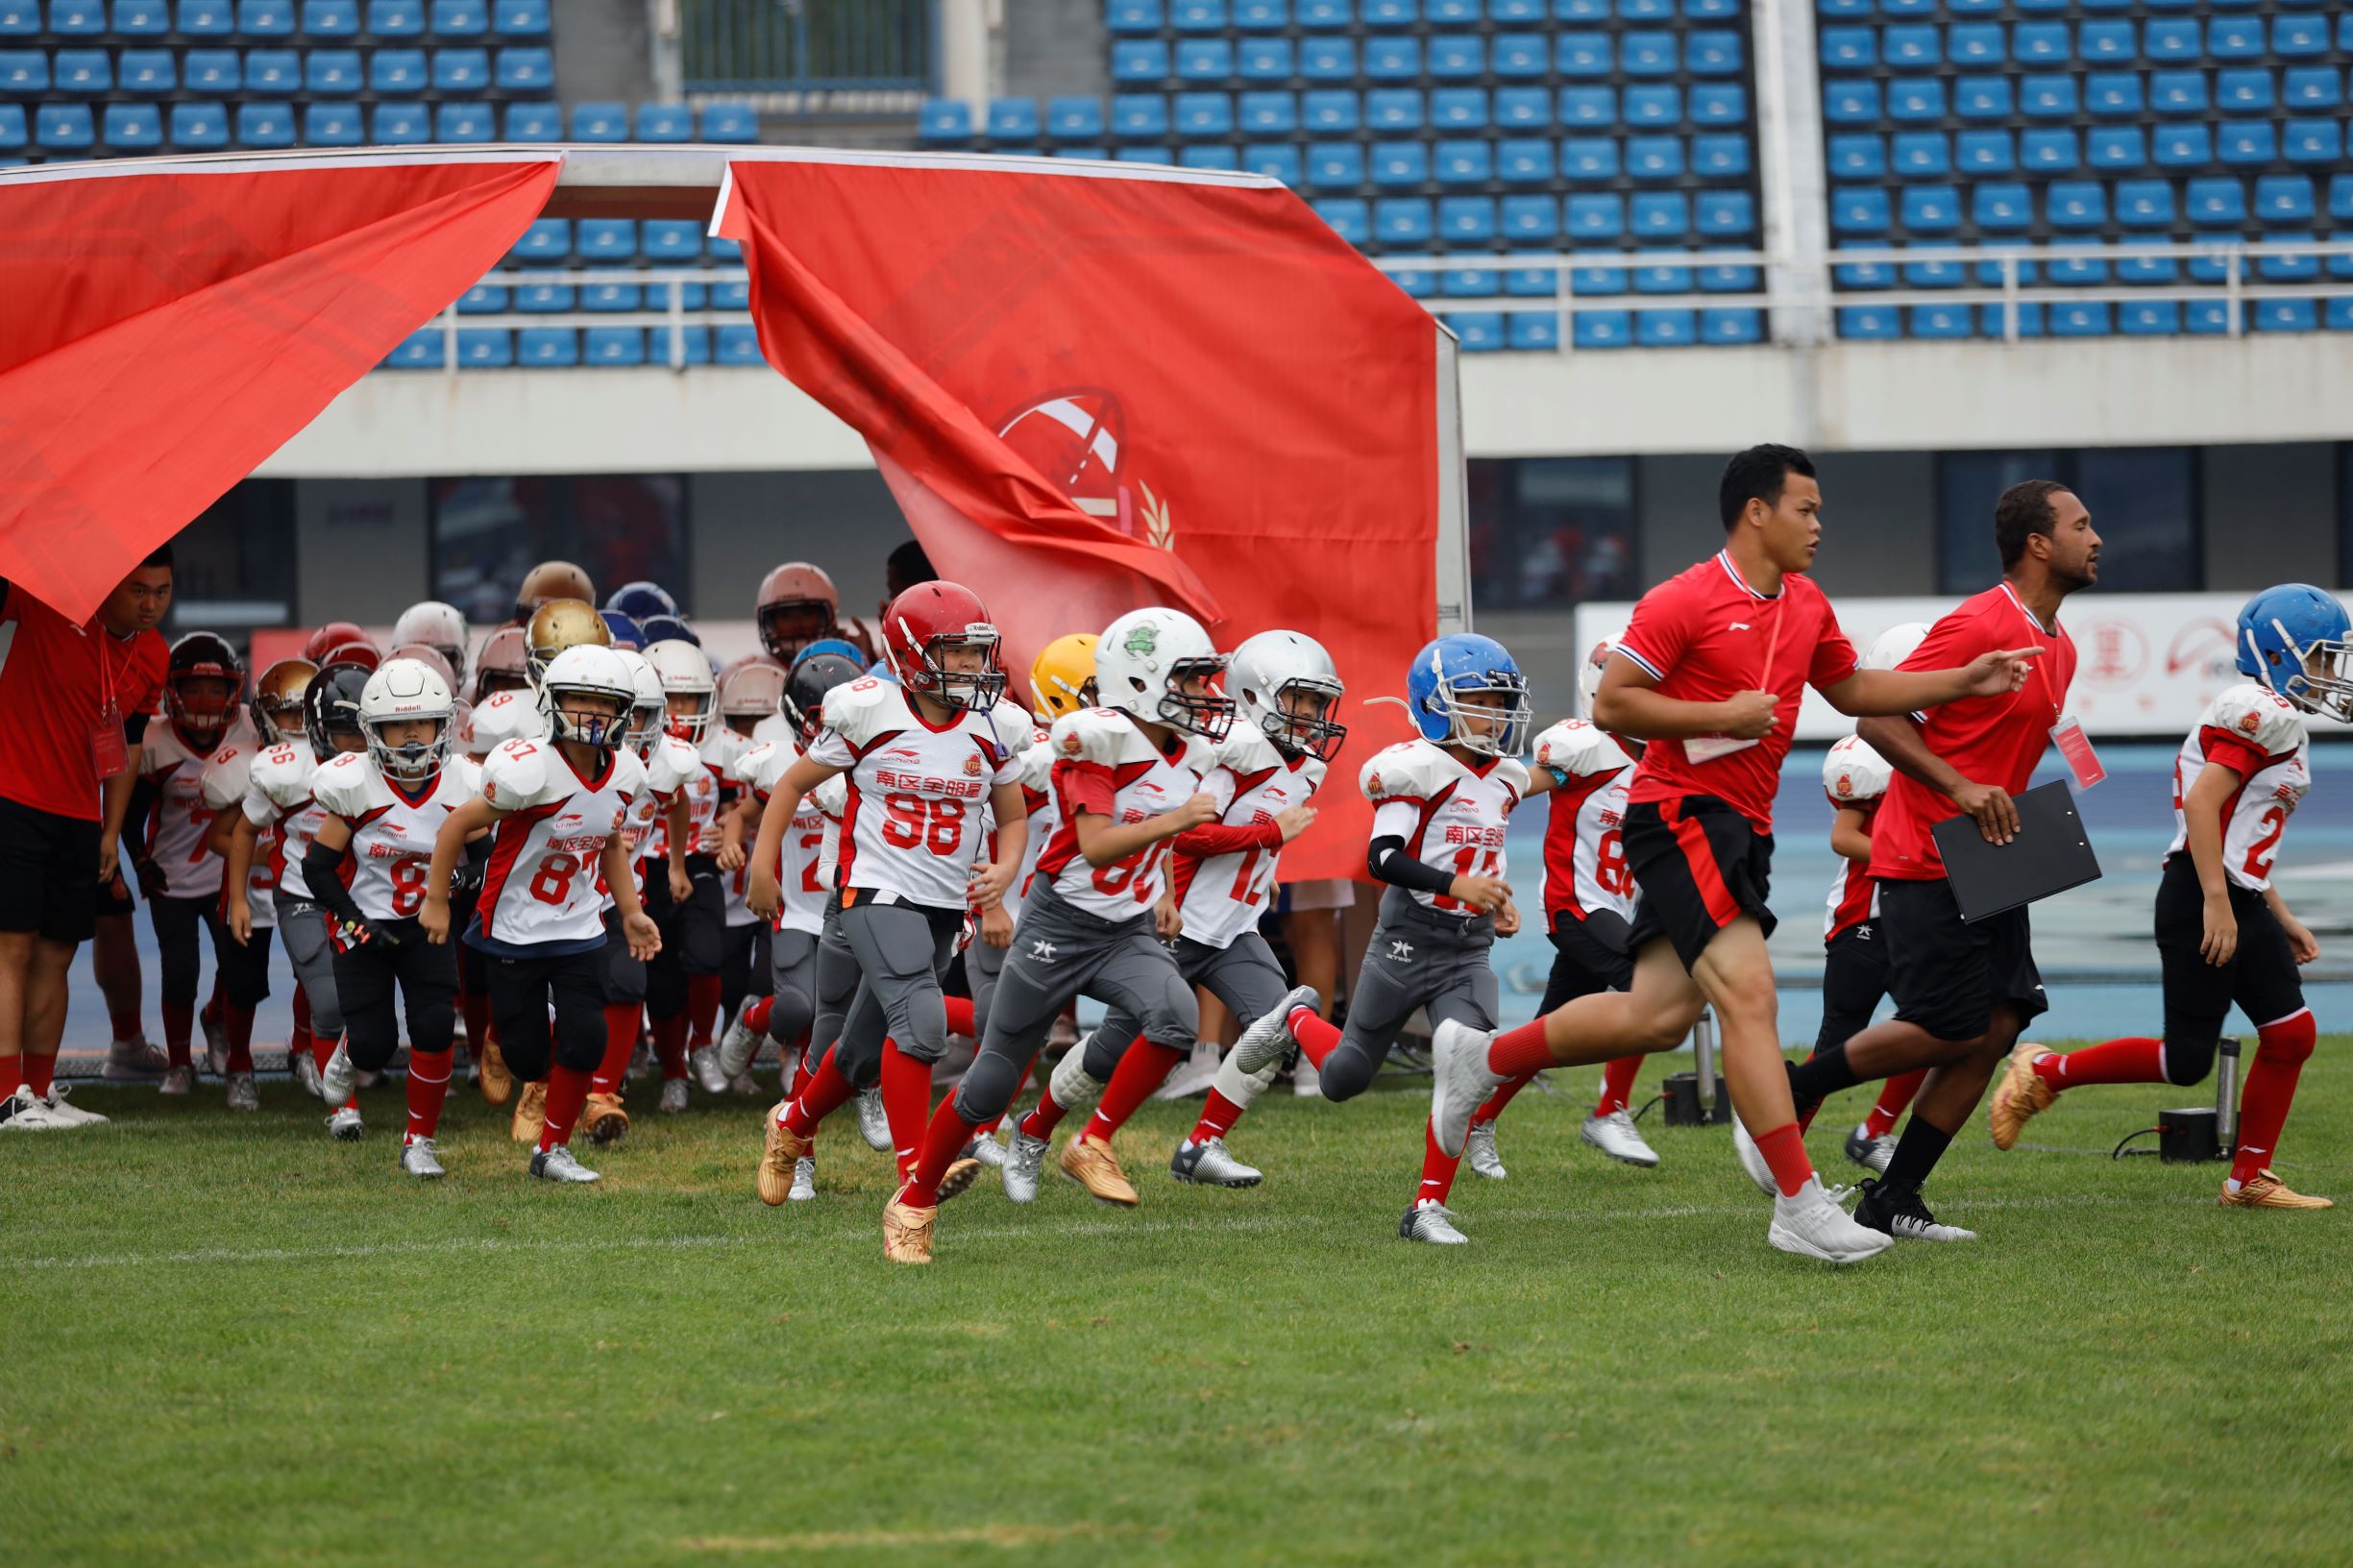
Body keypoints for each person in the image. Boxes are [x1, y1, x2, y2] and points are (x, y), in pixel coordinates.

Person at [1427, 446, 2042, 1264]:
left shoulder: (1807, 603)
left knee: (1656, 1015)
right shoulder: (1684, 598)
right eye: (1805, 509)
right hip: (1680, 815)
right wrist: (1721, 711)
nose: (1819, 524)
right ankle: (1796, 1201)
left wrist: (1960, 681)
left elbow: (1855, 690)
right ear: (1757, 511)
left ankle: (1480, 1056)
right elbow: (1613, 704)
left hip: (1738, 828)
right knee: (1750, 996)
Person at [829, 605, 1224, 1263]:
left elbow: (1156, 835)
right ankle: (913, 1200)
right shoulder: (1093, 742)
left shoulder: (1196, 748)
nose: (1200, 695)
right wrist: (1178, 820)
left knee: (1174, 1015)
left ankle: (1091, 1141)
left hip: (1123, 927)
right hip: (1058, 926)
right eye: (1187, 680)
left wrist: (1165, 893)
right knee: (989, 1082)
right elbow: (1097, 846)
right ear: (1140, 681)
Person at [1768, 478, 2096, 1243]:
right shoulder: (1979, 621)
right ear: (2037, 544)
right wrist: (1957, 785)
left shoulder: (2061, 645)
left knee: (1998, 1025)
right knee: (1943, 1026)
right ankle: (1780, 1096)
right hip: (1924, 853)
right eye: (2081, 525)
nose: (2096, 537)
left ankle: (1894, 1198)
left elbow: (2007, 749)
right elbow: (1873, 713)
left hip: (1995, 860)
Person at [1988, 585, 2345, 1211]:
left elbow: (2237, 829)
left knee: (2291, 1036)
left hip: (2233, 894)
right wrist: (2216, 900)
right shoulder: (2263, 712)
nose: (2327, 674)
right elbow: (2203, 805)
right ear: (2278, 652)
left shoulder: (2273, 716)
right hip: (2200, 895)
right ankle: (2042, 1073)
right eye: (2318, 658)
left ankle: (2246, 1180)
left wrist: (2275, 912)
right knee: (2185, 1061)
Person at [1218, 632, 1557, 1244]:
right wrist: (1459, 885)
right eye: (1480, 699)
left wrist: (1494, 900)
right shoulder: (1414, 768)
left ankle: (1427, 1208)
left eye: (1500, 701)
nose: (1495, 715)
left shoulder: (1506, 776)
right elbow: (1383, 858)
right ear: (1438, 704)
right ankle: (1293, 1021)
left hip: (1466, 948)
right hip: (1405, 941)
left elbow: (1482, 844)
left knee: (1464, 1069)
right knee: (1345, 1077)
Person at [746, 581, 1026, 1250]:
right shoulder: (870, 709)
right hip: (873, 892)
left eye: (975, 653)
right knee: (923, 1024)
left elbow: (1011, 816)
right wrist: (763, 865)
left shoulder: (994, 724)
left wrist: (1005, 870)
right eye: (956, 654)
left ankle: (793, 1121)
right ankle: (912, 1189)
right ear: (909, 654)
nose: (971, 668)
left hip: (941, 902)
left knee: (866, 1049)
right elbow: (791, 784)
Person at [1027, 628, 1339, 1195]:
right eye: (1303, 699)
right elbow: (1188, 832)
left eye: (1320, 702)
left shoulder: (1308, 764)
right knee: (1113, 1047)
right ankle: (1037, 1131)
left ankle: (1202, 1145)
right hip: (1181, 922)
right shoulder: (1235, 748)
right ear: (1254, 694)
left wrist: (1262, 873)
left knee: (1272, 1029)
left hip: (1235, 926)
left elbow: (1251, 831)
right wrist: (1265, 836)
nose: (1314, 715)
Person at [423, 644, 660, 1184]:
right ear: (552, 702)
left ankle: (551, 1150)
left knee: (587, 1038)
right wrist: (438, 900)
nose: (592, 715)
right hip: (514, 930)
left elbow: (610, 841)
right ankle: (501, 1044)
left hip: (579, 927)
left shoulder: (624, 771)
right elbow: (457, 825)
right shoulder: (527, 769)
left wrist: (629, 911)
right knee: (529, 1057)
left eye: (605, 704)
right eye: (579, 700)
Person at [0, 550, 173, 1130]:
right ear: (109, 583)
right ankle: (6, 1096)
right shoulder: (50, 601)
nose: (150, 605)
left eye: (162, 592)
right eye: (138, 590)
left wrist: (110, 830)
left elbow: (126, 747)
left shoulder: (153, 655)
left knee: (57, 954)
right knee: (12, 950)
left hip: (78, 816)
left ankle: (40, 1093)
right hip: (13, 799)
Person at [304, 660, 472, 1179]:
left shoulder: (463, 781)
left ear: (443, 725)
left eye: (423, 721)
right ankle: (350, 1050)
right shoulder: (357, 785)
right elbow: (318, 867)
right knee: (375, 1047)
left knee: (435, 1026)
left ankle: (419, 1141)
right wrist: (352, 921)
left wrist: (447, 891)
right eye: (400, 724)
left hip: (427, 924)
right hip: (367, 924)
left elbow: (488, 861)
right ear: (373, 732)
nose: (413, 735)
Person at [723, 649, 862, 1202]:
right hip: (795, 910)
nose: (826, 727)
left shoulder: (871, 755)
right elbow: (746, 812)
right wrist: (735, 839)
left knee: (846, 1032)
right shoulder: (777, 762)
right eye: (815, 716)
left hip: (854, 910)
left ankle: (813, 1123)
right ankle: (755, 1019)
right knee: (800, 1014)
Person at [1810, 624, 1931, 1178]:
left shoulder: (1947, 744)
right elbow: (1844, 836)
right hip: (1867, 916)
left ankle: (1875, 1130)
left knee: (1941, 1024)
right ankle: (1781, 1136)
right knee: (1839, 1039)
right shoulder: (1867, 752)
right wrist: (1912, 856)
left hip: (1924, 913)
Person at [240, 662, 373, 1138]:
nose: (357, 746)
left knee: (371, 1008)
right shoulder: (290, 771)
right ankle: (343, 1109)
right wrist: (237, 897)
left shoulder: (387, 766)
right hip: (303, 895)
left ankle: (346, 1066)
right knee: (328, 997)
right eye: (344, 735)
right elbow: (244, 830)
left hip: (365, 898)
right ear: (319, 734)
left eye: (363, 733)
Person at [123, 632, 252, 1095]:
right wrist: (140, 862)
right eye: (193, 687)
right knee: (179, 972)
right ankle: (180, 1062)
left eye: (217, 689)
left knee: (237, 968)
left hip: (229, 877)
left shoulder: (250, 732)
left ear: (234, 691)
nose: (204, 698)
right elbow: (129, 814)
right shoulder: (155, 738)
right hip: (172, 874)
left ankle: (222, 1029)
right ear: (172, 691)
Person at [1540, 642, 1652, 1173]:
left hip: (1615, 907)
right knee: (1648, 984)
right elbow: (1516, 788)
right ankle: (1609, 1112)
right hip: (1575, 902)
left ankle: (1475, 1113)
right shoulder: (1582, 746)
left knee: (1540, 1038)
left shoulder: (1660, 758)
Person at [579, 649, 693, 1146]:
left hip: (624, 896)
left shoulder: (663, 764)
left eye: (641, 712)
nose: (629, 723)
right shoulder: (572, 755)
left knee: (629, 981)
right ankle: (541, 1083)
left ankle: (603, 1096)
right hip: (564, 894)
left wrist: (677, 861)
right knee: (564, 996)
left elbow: (676, 801)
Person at [202, 658, 314, 1112]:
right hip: (249, 891)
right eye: (289, 715)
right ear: (265, 716)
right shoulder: (247, 765)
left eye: (307, 715)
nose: (299, 727)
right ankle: (241, 1066)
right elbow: (217, 838)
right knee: (243, 983)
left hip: (300, 889)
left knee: (312, 972)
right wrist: (260, 857)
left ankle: (304, 1049)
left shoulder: (326, 760)